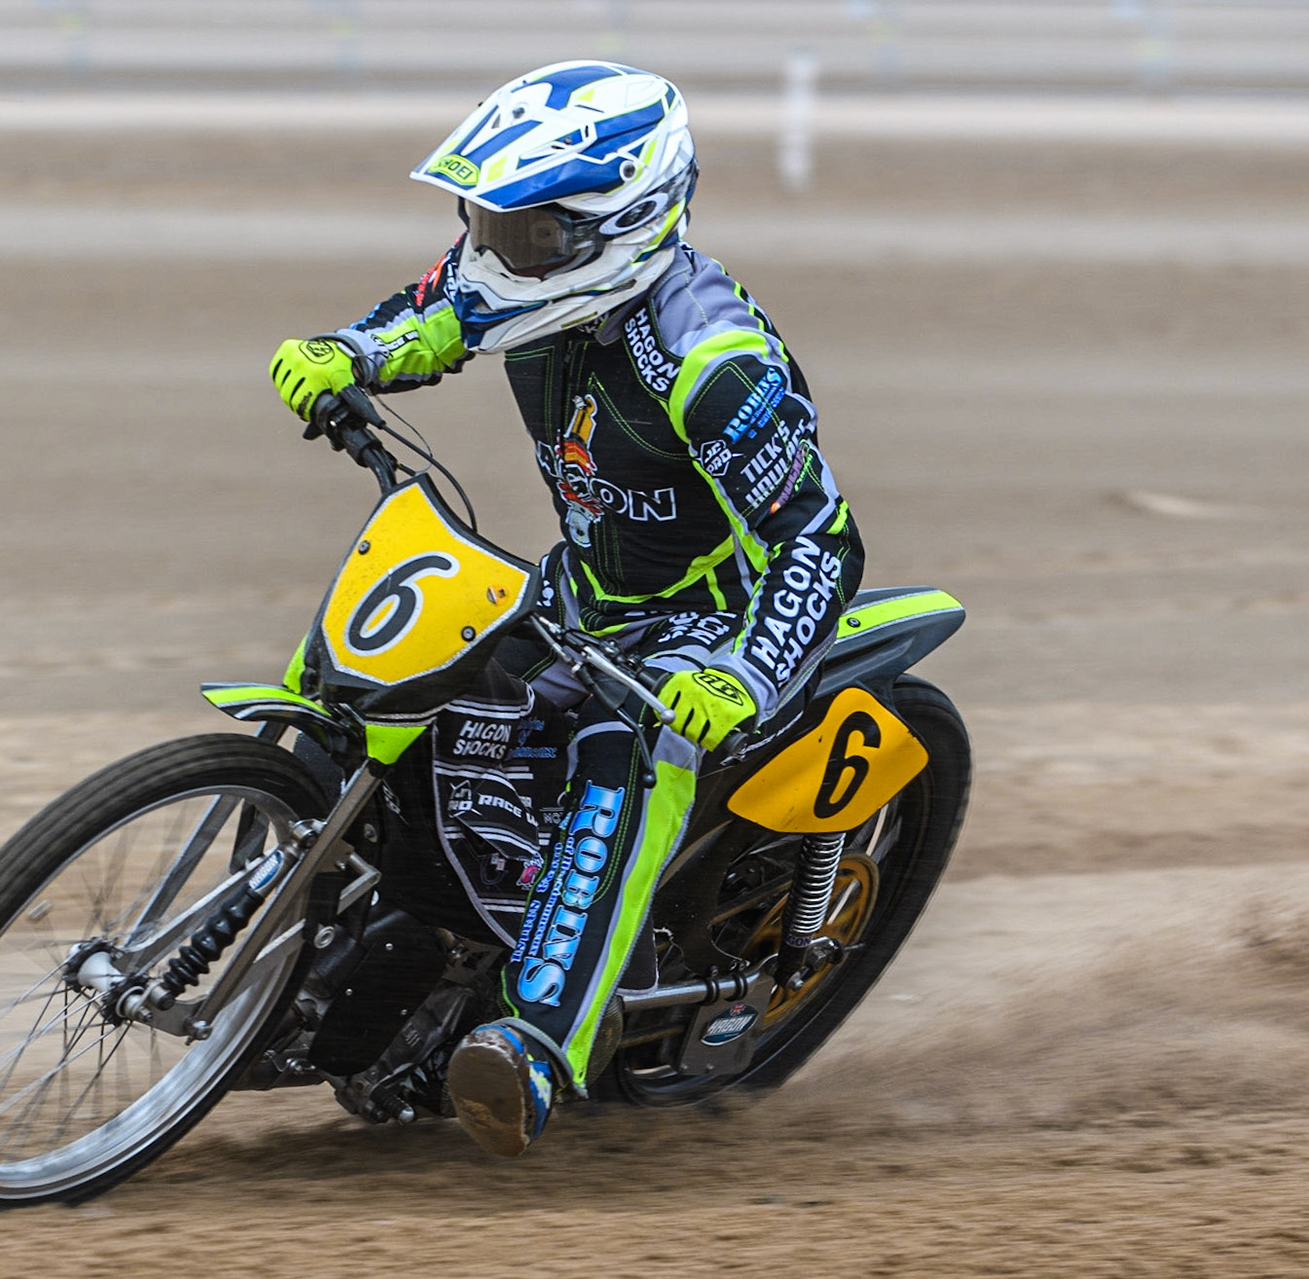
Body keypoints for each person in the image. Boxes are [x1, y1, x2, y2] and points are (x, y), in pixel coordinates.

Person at [268, 61, 863, 1157]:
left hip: (706, 631)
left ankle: (538, 1041)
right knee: (387, 696)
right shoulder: (527, 274)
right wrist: (350, 354)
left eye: (524, 234)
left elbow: (822, 542)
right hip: (582, 589)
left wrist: (738, 675)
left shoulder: (707, 359)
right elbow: (435, 315)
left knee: (623, 753)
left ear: (621, 225)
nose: (495, 251)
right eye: (484, 221)